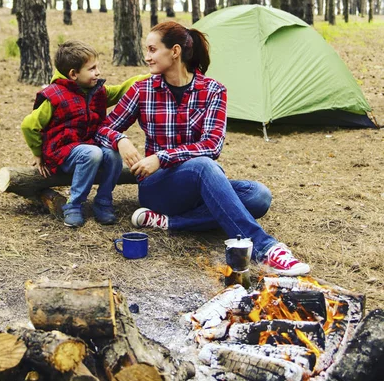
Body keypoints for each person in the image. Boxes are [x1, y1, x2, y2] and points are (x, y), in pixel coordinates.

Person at [96, 21, 310, 276]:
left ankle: (171, 223)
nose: (147, 56)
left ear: (174, 51)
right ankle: (265, 248)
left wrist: (161, 157)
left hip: (197, 185)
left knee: (258, 196)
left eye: (153, 49)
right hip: (157, 188)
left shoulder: (213, 91)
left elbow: (212, 145)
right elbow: (102, 129)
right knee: (204, 166)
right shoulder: (142, 90)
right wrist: (120, 139)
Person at [22, 40, 148, 228]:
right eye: (92, 68)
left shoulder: (96, 91)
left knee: (112, 154)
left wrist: (148, 76)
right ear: (73, 74)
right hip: (62, 153)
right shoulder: (54, 96)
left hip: (88, 149)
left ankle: (103, 202)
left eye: (97, 67)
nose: (98, 72)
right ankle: (73, 205)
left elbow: (121, 90)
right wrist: (38, 153)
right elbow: (28, 125)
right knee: (93, 152)